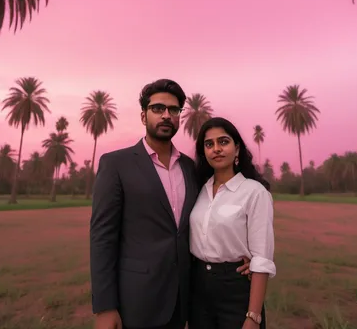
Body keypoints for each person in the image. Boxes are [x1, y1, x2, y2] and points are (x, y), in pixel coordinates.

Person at [89, 79, 250, 329]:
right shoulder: (116, 165)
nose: (166, 115)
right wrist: (104, 307)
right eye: (158, 108)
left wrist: (244, 252)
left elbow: (213, 213)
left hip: (184, 301)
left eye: (173, 110)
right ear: (143, 116)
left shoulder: (191, 168)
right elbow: (102, 238)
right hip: (136, 302)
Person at [188, 117, 276, 329]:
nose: (216, 149)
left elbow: (262, 258)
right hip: (198, 290)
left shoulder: (254, 192)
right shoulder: (199, 191)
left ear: (237, 149)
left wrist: (253, 316)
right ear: (204, 153)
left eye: (223, 142)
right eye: (209, 144)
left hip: (235, 290)